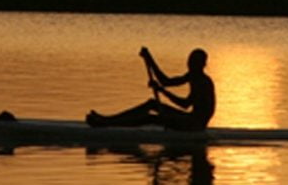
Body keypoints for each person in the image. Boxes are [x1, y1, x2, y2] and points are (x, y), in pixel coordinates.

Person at [86, 47, 216, 131]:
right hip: (189, 119)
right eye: (189, 61)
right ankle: (108, 120)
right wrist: (149, 59)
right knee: (152, 104)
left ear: (202, 65)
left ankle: (107, 124)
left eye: (193, 62)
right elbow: (165, 81)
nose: (189, 64)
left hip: (194, 125)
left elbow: (185, 104)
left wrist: (161, 90)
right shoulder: (192, 76)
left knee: (151, 118)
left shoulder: (203, 82)